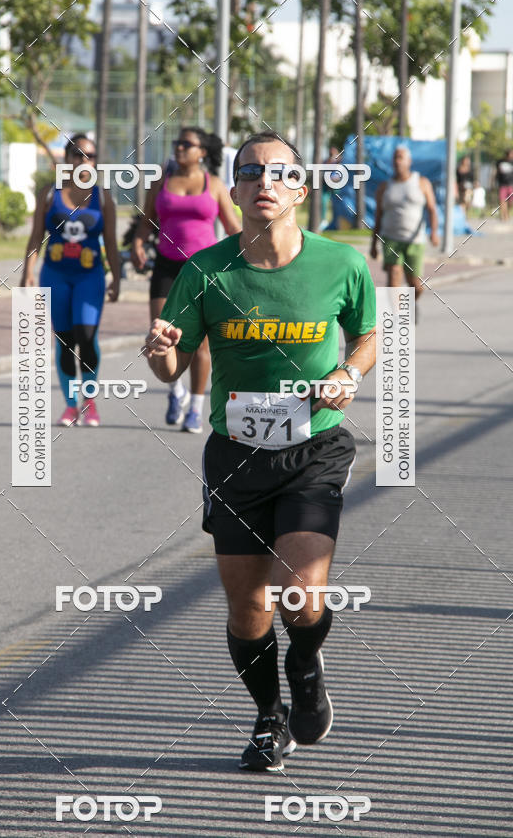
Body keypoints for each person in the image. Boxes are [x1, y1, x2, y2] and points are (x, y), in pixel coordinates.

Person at [144, 131, 376, 771]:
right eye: (250, 173)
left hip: (313, 447)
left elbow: (366, 336)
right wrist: (164, 353)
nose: (264, 183)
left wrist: (349, 374)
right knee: (249, 609)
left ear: (301, 188)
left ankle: (306, 666)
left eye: (279, 173)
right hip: (236, 455)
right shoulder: (205, 270)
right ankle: (269, 717)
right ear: (237, 189)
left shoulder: (342, 264)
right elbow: (174, 364)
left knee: (300, 594)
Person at [131, 126, 241, 434]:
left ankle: (195, 407)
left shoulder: (215, 184)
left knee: (200, 344)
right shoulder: (161, 182)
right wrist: (138, 245)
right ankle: (175, 392)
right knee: (161, 335)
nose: (179, 148)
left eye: (187, 144)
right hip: (166, 267)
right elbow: (146, 223)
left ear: (202, 151)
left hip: (203, 271)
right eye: (177, 143)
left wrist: (249, 254)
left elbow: (232, 227)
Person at [21, 133, 120, 427]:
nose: (82, 161)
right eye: (77, 154)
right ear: (67, 159)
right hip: (55, 276)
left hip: (90, 277)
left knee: (87, 337)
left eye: (89, 155)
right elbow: (36, 237)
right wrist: (27, 272)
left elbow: (111, 242)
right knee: (64, 341)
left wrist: (117, 277)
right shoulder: (49, 194)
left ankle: (89, 403)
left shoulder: (103, 198)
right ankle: (69, 405)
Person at [370, 145, 439, 317]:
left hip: (415, 240)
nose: (397, 161)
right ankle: (397, 318)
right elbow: (378, 217)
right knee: (394, 276)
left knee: (416, 285)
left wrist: (434, 232)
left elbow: (432, 209)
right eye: (395, 157)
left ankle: (409, 305)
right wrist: (373, 244)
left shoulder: (421, 183)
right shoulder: (385, 187)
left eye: (401, 157)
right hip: (391, 238)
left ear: (409, 161)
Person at [495, 148, 513, 222]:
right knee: (502, 200)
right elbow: (496, 172)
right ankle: (503, 216)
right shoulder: (500, 162)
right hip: (502, 184)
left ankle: (507, 213)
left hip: (511, 184)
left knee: (511, 202)